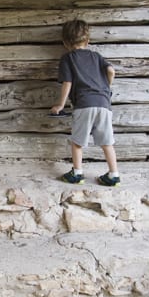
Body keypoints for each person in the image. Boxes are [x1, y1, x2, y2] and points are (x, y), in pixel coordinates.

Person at [51, 19, 120, 186]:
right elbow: (111, 70)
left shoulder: (68, 58)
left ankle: (77, 172)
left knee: (77, 142)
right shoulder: (96, 56)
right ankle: (114, 174)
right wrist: (106, 87)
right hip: (104, 103)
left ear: (65, 43)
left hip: (84, 104)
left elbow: (67, 83)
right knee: (107, 141)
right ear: (87, 41)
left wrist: (60, 105)